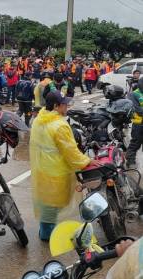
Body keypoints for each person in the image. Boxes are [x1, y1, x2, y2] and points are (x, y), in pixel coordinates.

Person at [30, 90, 98, 241]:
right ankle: (48, 235)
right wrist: (87, 161)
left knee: (46, 204)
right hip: (56, 172)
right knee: (52, 205)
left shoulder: (39, 119)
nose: (66, 106)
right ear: (56, 106)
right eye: (64, 104)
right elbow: (71, 152)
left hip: (42, 169)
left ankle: (45, 230)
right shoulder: (59, 125)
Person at [125, 77, 143, 168]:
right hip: (139, 124)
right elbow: (138, 110)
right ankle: (130, 160)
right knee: (135, 143)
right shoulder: (133, 94)